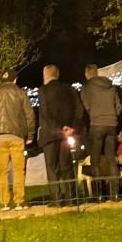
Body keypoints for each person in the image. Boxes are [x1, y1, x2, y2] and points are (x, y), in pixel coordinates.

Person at [0, 69, 36, 210]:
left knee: (2, 171)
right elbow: (29, 115)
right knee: (18, 169)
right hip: (17, 135)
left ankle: (4, 202)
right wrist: (30, 135)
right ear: (15, 80)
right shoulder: (20, 93)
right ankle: (19, 201)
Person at [38, 64, 85, 205]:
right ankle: (71, 197)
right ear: (57, 74)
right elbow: (79, 110)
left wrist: (59, 129)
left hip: (50, 134)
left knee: (52, 168)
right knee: (66, 166)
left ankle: (57, 199)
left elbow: (45, 114)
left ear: (46, 75)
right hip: (68, 134)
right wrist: (71, 128)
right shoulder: (70, 89)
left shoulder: (43, 91)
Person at [80, 64, 121, 200]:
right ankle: (115, 194)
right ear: (97, 72)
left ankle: (99, 194)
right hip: (111, 124)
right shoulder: (111, 86)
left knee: (95, 160)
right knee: (111, 159)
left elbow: (85, 106)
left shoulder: (86, 87)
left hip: (96, 124)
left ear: (87, 73)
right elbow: (119, 107)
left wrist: (94, 115)